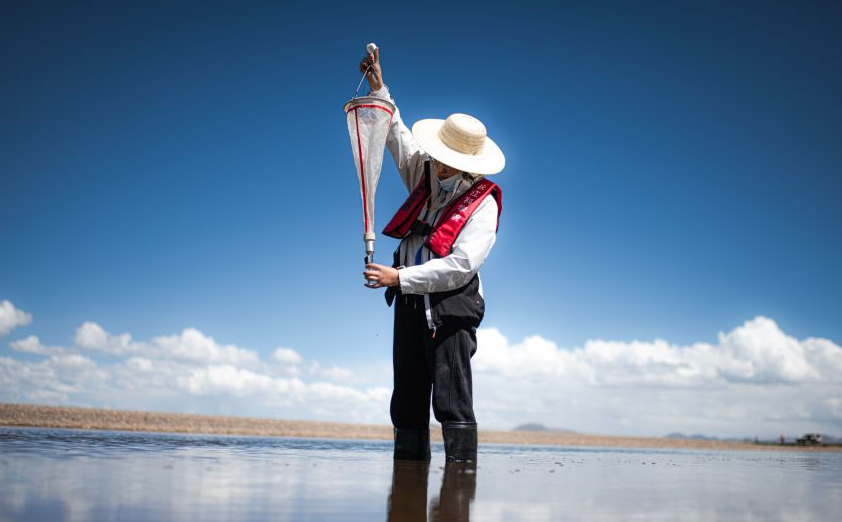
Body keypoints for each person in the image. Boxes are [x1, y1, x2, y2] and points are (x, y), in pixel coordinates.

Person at [360, 46, 505, 463]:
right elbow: (398, 136)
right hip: (408, 305)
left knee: (451, 399)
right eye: (438, 158)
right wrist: (379, 88)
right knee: (406, 400)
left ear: (467, 167)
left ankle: (460, 490)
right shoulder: (425, 174)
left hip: (450, 308)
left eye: (446, 162)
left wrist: (399, 278)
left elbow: (461, 267)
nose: (436, 166)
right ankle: (405, 490)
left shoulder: (484, 203)